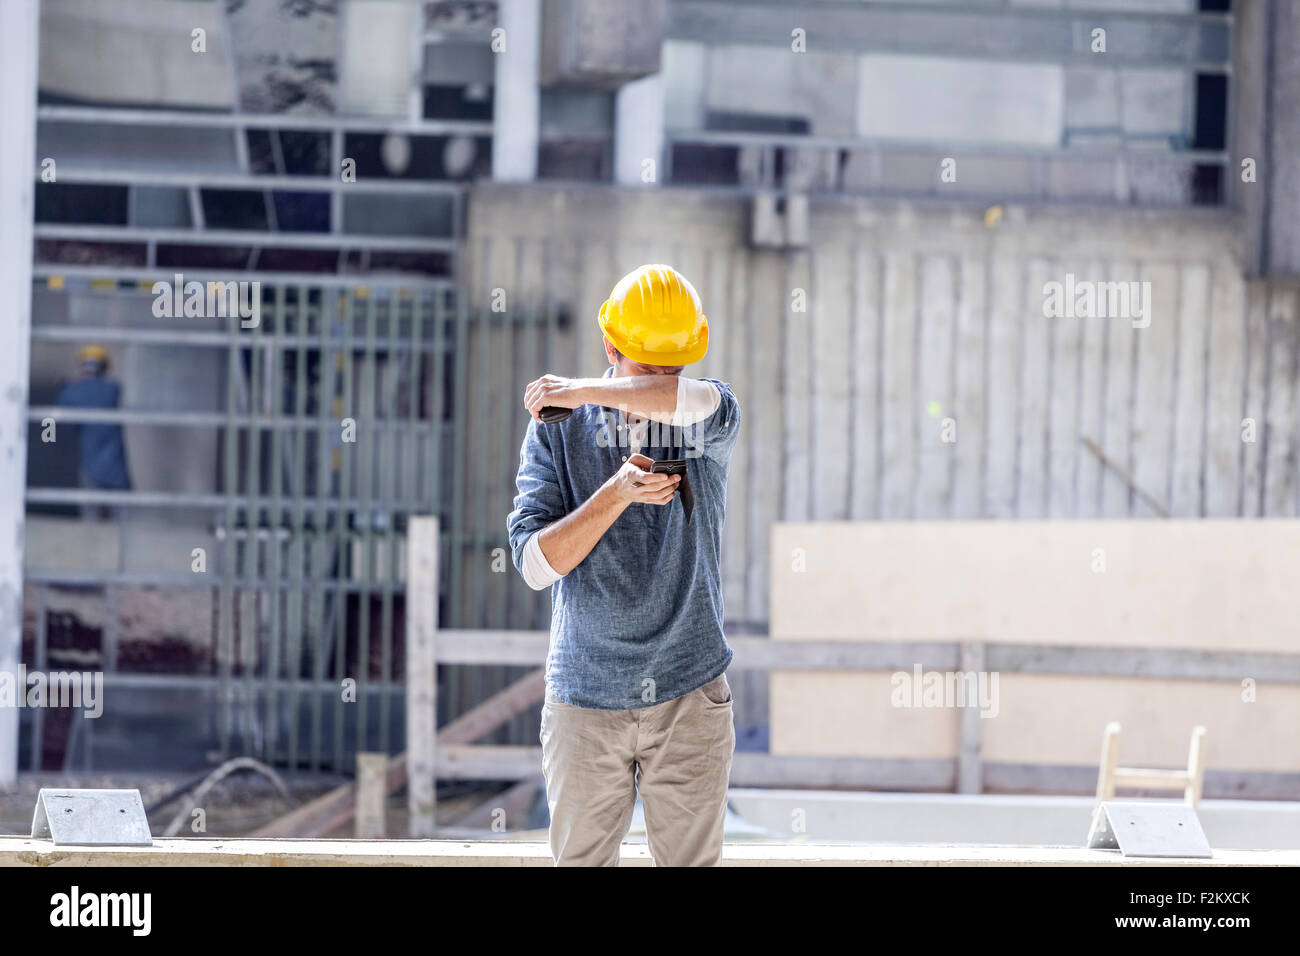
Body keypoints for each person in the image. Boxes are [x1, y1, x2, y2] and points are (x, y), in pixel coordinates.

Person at [506, 264, 742, 866]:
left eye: (674, 367)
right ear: (610, 346)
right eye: (648, 364)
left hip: (689, 692)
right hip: (585, 697)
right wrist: (614, 495)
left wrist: (579, 391)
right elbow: (535, 564)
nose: (664, 381)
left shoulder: (707, 417)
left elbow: (690, 397)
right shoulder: (557, 436)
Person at [56, 344, 131, 519]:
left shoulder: (71, 392)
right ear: (103, 367)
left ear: (82, 366)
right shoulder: (113, 389)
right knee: (121, 518)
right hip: (115, 464)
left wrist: (65, 388)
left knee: (91, 517)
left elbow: (60, 418)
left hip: (90, 464)